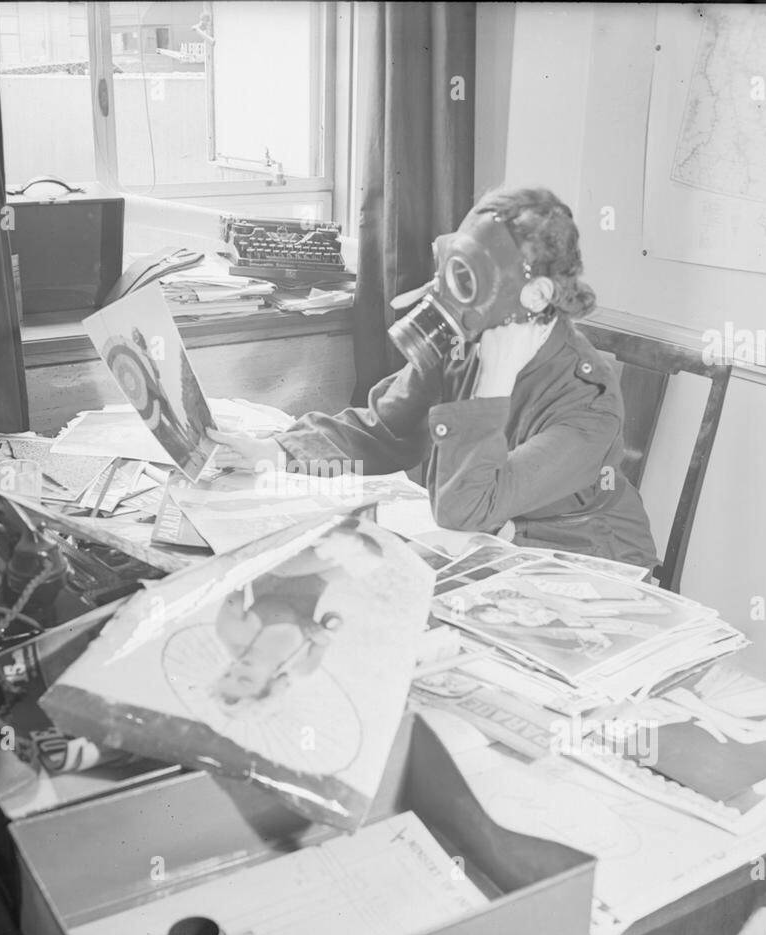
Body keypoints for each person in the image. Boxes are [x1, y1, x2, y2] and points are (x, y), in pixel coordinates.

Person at [209, 187, 659, 569]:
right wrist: (276, 452)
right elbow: (384, 430)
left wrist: (493, 385)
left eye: (474, 280)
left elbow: (464, 509)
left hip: (582, 560)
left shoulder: (589, 402)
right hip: (486, 540)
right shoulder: (464, 340)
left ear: (538, 295)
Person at [212, 519, 383, 707]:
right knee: (369, 557)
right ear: (269, 685)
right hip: (317, 580)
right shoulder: (300, 666)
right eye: (245, 679)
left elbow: (236, 579)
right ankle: (335, 532)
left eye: (227, 673)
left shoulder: (230, 633)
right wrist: (318, 633)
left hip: (279, 567)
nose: (237, 669)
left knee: (345, 544)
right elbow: (324, 640)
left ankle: (333, 531)